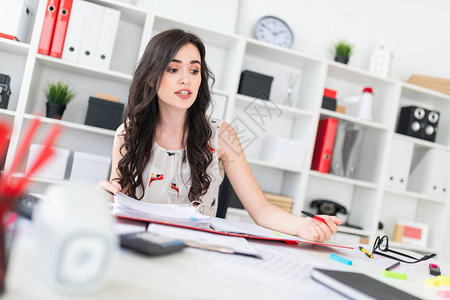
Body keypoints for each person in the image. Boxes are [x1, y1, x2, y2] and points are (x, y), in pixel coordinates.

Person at [98, 29, 342, 242]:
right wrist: (107, 196)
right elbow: (119, 202)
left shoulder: (222, 135)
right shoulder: (128, 133)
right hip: (141, 243)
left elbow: (261, 209)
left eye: (194, 71)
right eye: (173, 69)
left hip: (196, 249)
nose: (186, 80)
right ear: (151, 78)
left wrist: (304, 226)